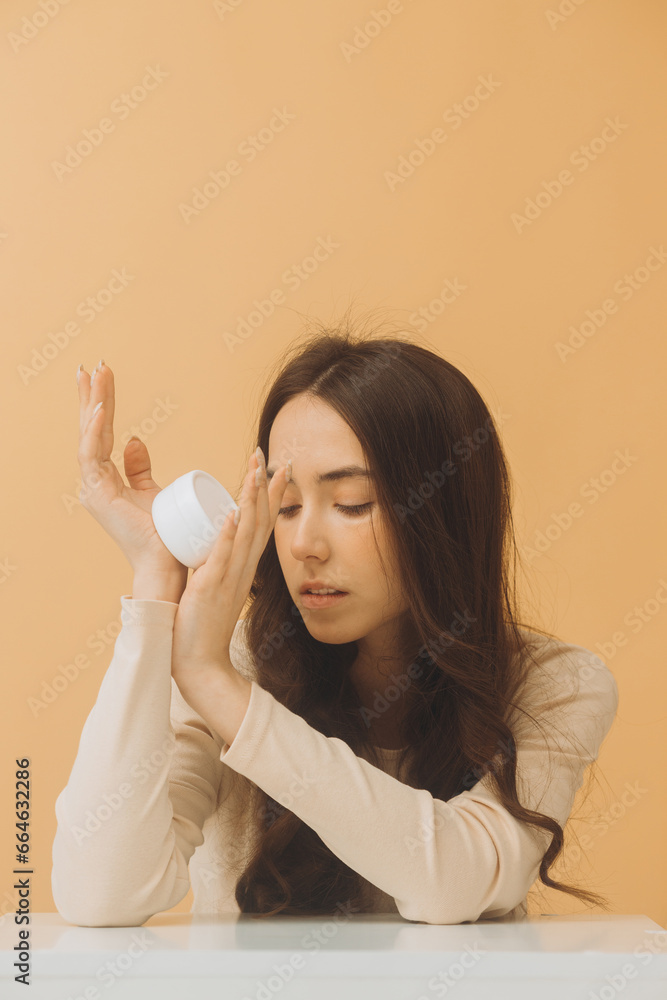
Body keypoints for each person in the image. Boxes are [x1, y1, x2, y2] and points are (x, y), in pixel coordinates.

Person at [52, 317, 618, 926]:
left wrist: (218, 687)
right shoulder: (233, 658)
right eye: (286, 506)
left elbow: (458, 882)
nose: (303, 545)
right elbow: (100, 893)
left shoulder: (558, 685)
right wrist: (154, 591)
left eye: (351, 504)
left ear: (443, 511)